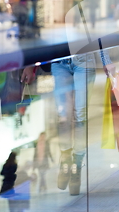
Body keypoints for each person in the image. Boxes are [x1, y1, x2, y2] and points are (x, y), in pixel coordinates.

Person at [22, 54, 96, 196]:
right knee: (63, 116)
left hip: (84, 58)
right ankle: (65, 160)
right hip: (59, 61)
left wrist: (107, 62)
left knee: (80, 116)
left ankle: (77, 166)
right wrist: (31, 63)